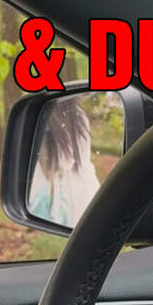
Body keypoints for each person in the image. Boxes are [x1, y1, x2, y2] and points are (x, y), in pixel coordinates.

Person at [27, 96, 100, 228]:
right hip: (61, 201)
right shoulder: (42, 115)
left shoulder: (79, 117)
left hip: (83, 201)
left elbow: (83, 164)